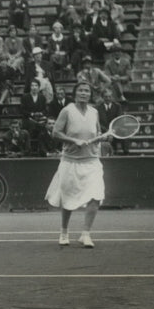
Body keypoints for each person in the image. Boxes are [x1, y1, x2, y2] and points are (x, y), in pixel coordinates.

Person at [46, 82, 107, 248]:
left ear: (90, 94)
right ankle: (64, 231)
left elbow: (97, 131)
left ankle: (85, 234)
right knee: (67, 199)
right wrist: (74, 140)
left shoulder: (94, 112)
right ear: (75, 94)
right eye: (80, 90)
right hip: (70, 162)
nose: (84, 93)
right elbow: (55, 133)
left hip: (92, 162)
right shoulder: (67, 110)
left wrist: (102, 137)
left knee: (96, 196)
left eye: (87, 91)